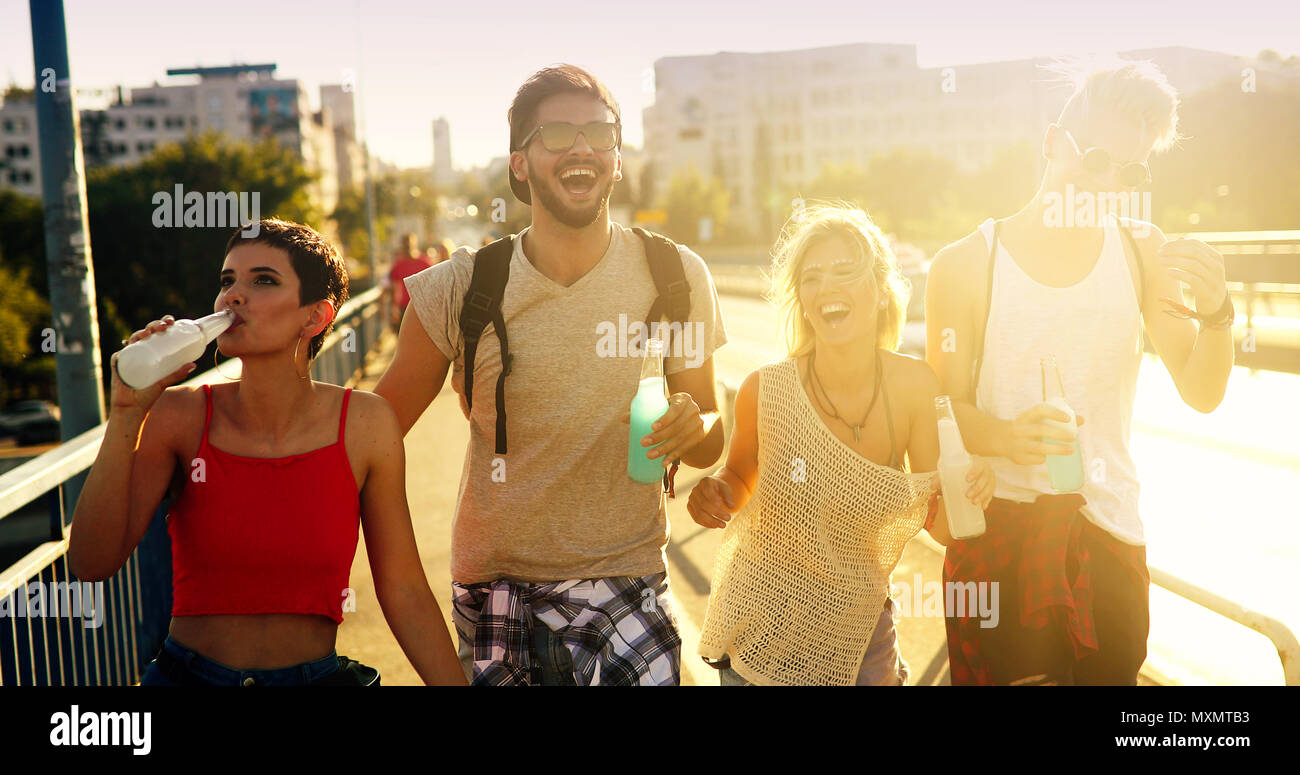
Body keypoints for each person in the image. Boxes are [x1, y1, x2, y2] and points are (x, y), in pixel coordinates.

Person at [374, 64, 728, 685]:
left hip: (629, 577)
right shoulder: (460, 288)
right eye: (559, 133)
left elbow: (711, 427)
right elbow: (370, 435)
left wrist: (689, 423)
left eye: (599, 132)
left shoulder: (676, 275)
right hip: (496, 593)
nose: (583, 146)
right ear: (519, 162)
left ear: (617, 158)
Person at [925, 59, 1234, 686]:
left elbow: (1202, 392)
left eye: (1130, 171)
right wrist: (1010, 437)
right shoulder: (964, 265)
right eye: (1095, 160)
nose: (1108, 184)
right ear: (1051, 143)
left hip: (1110, 540)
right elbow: (943, 417)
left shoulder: (1143, 249)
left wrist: (1221, 316)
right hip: (999, 542)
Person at [68, 218, 466, 686]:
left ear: (315, 316)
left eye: (263, 280)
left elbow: (404, 591)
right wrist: (127, 416)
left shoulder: (365, 424)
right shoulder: (178, 415)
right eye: (227, 281)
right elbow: (91, 564)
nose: (232, 297)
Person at [690, 204, 995, 686]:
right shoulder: (763, 391)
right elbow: (737, 481)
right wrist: (714, 493)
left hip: (860, 633)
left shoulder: (915, 386)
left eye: (844, 271)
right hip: (762, 632)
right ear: (802, 301)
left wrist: (972, 489)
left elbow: (941, 523)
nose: (827, 287)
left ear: (879, 289)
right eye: (811, 278)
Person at [387, 233, 435, 330]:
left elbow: (433, 285)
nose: (407, 247)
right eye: (405, 245)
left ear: (415, 244)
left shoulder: (425, 262)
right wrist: (393, 309)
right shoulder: (398, 265)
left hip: (423, 307)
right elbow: (394, 288)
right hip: (404, 308)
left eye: (409, 244)